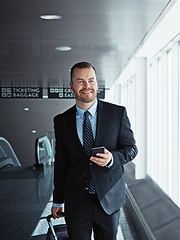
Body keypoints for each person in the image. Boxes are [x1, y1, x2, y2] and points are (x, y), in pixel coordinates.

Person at [51, 61, 138, 240]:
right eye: (80, 81)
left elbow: (131, 149)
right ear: (72, 86)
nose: (87, 86)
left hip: (108, 199)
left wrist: (112, 158)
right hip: (77, 201)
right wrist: (58, 199)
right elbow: (61, 163)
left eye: (91, 80)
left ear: (97, 84)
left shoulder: (117, 113)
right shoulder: (62, 121)